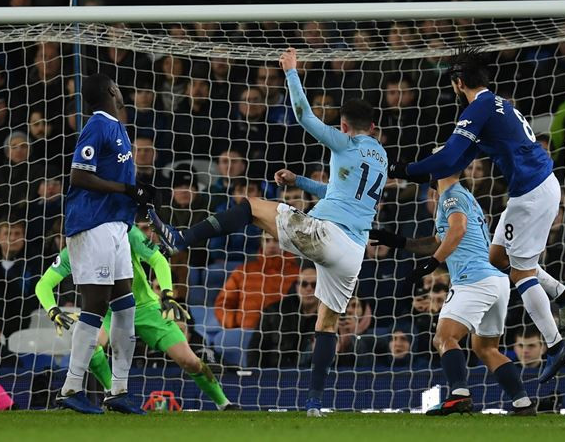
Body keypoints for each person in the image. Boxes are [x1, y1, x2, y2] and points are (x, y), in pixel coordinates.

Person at [151, 47, 386, 417]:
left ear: (343, 126)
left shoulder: (345, 141)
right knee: (327, 324)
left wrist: (292, 72)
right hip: (353, 251)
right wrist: (300, 180)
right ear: (374, 128)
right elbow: (338, 193)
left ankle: (181, 238)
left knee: (250, 207)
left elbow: (304, 115)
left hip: (327, 234)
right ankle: (314, 404)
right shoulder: (380, 158)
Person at [389, 46, 565, 383]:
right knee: (497, 256)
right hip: (536, 188)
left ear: (459, 82)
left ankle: (555, 346)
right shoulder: (499, 106)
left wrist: (397, 168)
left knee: (521, 274)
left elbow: (448, 157)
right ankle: (564, 293)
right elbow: (455, 161)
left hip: (532, 195)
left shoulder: (477, 108)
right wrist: (417, 171)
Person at [370, 151, 536, 415]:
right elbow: (437, 241)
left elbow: (457, 231)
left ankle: (459, 394)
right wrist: (399, 242)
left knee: (444, 337)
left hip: (473, 280)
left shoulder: (452, 196)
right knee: (485, 348)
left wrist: (434, 263)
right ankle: (522, 402)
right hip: (495, 282)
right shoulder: (461, 197)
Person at [36, 224, 235, 410]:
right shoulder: (76, 247)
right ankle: (112, 394)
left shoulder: (126, 232)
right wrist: (53, 310)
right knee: (90, 345)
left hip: (145, 309)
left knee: (189, 361)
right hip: (108, 312)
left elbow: (158, 259)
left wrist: (166, 293)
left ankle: (224, 403)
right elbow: (43, 284)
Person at [58, 73, 154, 415]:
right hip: (92, 223)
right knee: (96, 303)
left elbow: (116, 177)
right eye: (118, 85)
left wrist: (137, 191)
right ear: (112, 91)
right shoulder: (98, 125)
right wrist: (124, 190)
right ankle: (71, 387)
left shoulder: (118, 128)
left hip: (116, 225)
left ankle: (119, 391)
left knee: (126, 303)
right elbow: (78, 175)